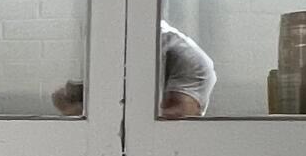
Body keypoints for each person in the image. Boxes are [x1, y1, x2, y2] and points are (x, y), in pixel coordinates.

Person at [51, 20, 216, 118]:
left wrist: (90, 112)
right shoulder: (123, 45)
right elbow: (63, 97)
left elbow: (181, 116)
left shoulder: (188, 58)